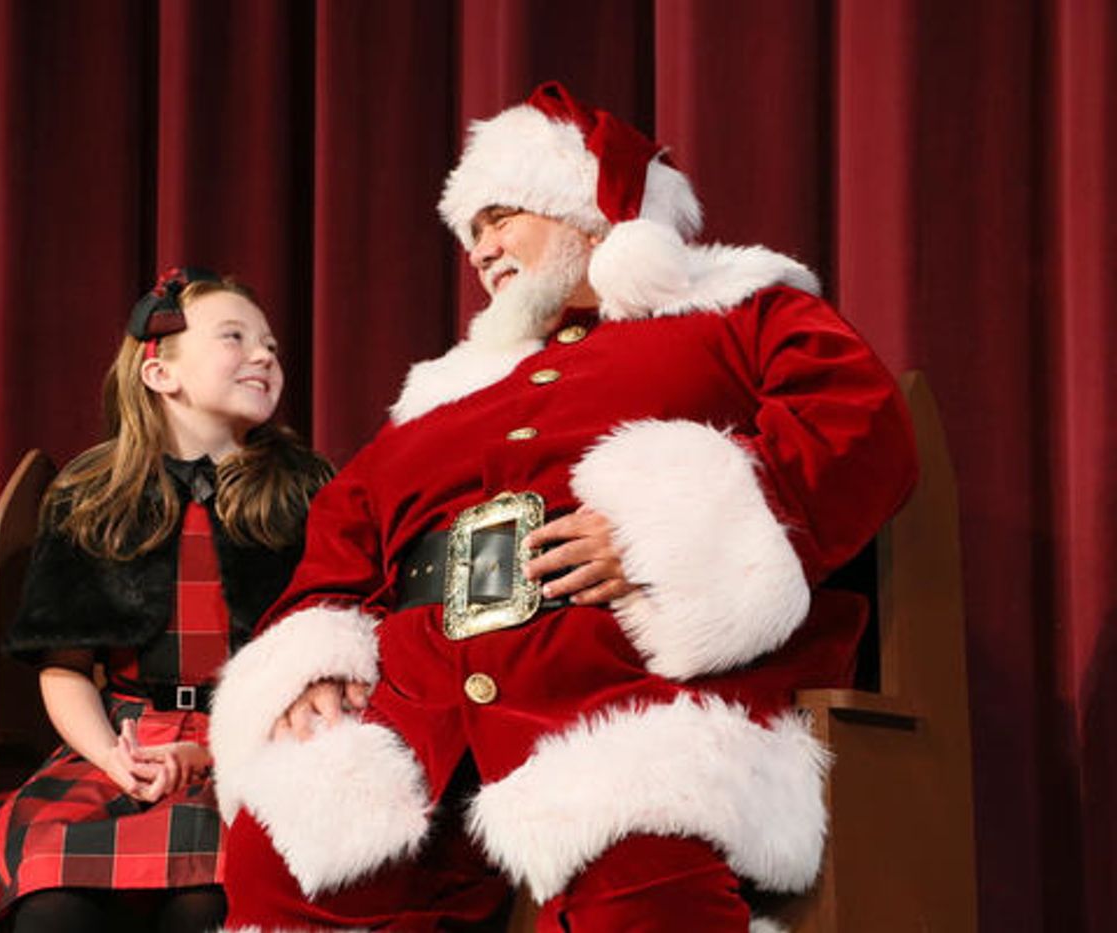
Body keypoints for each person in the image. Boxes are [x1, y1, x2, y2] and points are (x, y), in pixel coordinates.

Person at [207, 82, 919, 931]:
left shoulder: (734, 310)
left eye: (502, 216)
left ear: (584, 209)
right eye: (472, 233)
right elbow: (343, 542)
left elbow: (857, 421)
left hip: (628, 693)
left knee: (635, 863)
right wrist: (316, 663)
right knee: (284, 857)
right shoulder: (441, 395)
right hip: (425, 706)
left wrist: (670, 539)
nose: (484, 249)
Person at [0, 269, 333, 933]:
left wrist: (225, 748)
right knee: (55, 907)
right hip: (126, 744)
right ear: (160, 374)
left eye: (272, 346)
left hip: (257, 745)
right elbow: (65, 665)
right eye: (236, 337)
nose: (264, 354)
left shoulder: (304, 487)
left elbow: (330, 643)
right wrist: (112, 754)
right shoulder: (94, 496)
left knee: (210, 901)